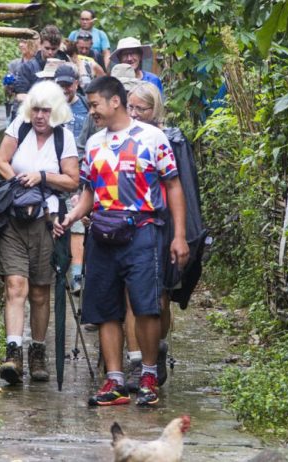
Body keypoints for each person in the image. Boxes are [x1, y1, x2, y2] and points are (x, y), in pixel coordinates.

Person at [54, 77, 190, 406]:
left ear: (115, 101)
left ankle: (147, 375)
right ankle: (114, 381)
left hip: (144, 231)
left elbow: (173, 187)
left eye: (96, 104)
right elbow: (88, 193)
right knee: (104, 309)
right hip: (101, 233)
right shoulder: (95, 143)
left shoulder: (152, 138)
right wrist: (71, 218)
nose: (92, 111)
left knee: (146, 307)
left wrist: (180, 236)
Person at [122, 82, 206, 392]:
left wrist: (183, 235)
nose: (133, 114)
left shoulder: (173, 141)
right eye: (129, 107)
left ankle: (155, 350)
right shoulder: (122, 139)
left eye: (140, 109)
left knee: (159, 298)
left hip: (166, 225)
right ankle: (136, 362)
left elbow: (182, 188)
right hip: (131, 226)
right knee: (131, 296)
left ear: (154, 110)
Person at [0, 81, 80, 384]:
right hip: (14, 220)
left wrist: (42, 177)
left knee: (41, 292)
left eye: (46, 110)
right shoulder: (19, 127)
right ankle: (13, 352)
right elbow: (1, 161)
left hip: (47, 221)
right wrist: (19, 182)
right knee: (16, 285)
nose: (40, 115)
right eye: (36, 109)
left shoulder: (64, 139)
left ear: (55, 111)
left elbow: (73, 180)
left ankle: (38, 351)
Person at [53, 64, 90, 293]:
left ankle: (76, 275)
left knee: (76, 224)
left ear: (76, 84)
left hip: (79, 172)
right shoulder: (47, 108)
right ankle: (55, 270)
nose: (65, 89)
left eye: (68, 84)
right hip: (52, 175)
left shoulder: (86, 107)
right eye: (61, 85)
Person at [15, 25, 69, 104]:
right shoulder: (27, 67)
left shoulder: (66, 64)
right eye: (47, 48)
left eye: (54, 49)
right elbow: (20, 95)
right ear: (40, 44)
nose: (50, 52)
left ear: (59, 46)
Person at [5, 38, 39, 122]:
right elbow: (8, 93)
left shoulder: (39, 64)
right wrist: (8, 85)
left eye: (24, 42)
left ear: (32, 44)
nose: (20, 45)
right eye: (20, 42)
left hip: (37, 110)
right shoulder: (14, 64)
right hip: (18, 109)